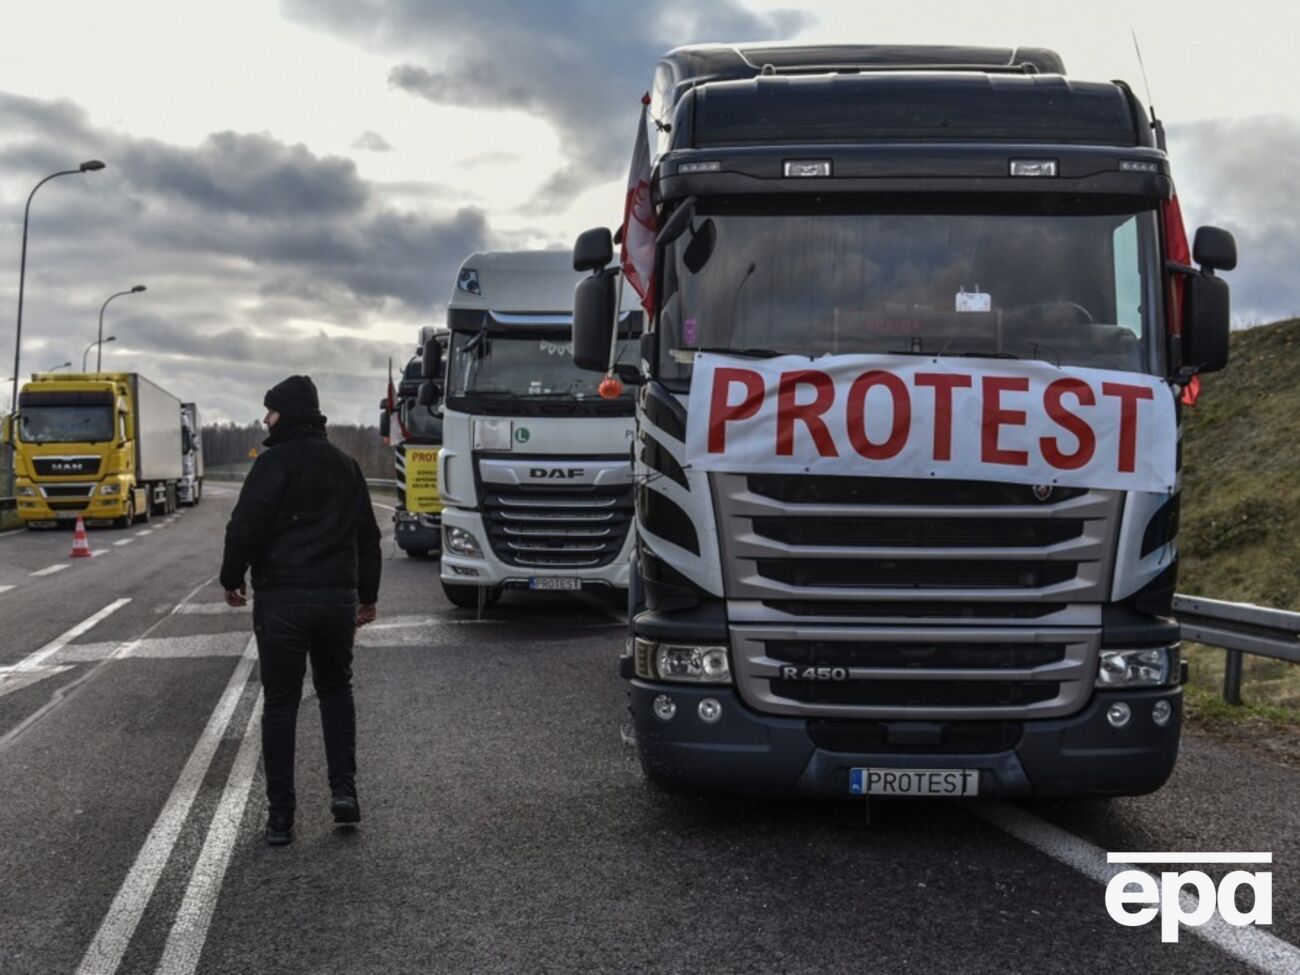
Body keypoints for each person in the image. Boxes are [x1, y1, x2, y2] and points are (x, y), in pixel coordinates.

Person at [220, 375, 382, 846]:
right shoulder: (346, 465)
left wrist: (233, 578)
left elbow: (244, 525)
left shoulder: (272, 464)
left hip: (283, 603)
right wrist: (367, 596)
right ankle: (343, 793)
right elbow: (368, 537)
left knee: (281, 704)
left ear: (287, 412)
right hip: (335, 600)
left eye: (270, 411)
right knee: (336, 692)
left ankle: (281, 818)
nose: (266, 419)